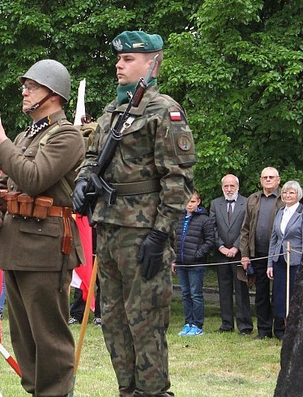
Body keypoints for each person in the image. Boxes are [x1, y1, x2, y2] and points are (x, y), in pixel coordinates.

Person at [73, 31, 197, 396]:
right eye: (119, 58)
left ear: (152, 63)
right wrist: (83, 182)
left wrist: (161, 234)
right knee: (112, 321)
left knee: (145, 323)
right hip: (109, 229)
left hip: (143, 233)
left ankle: (153, 392)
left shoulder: (164, 111)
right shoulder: (114, 111)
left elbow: (178, 180)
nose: (119, 64)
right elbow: (92, 157)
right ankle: (127, 390)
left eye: (128, 59)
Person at [0, 59, 85, 396]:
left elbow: (34, 177)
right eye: (25, 85)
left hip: (46, 248)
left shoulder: (67, 135)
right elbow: (13, 186)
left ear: (52, 94)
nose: (24, 90)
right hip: (16, 245)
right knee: (24, 339)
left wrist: (2, 143)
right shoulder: (27, 135)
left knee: (49, 338)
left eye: (32, 86)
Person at [240, 167, 284, 340]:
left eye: (271, 177)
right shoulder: (253, 199)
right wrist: (245, 254)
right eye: (265, 177)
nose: (268, 180)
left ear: (278, 180)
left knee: (279, 293)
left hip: (279, 255)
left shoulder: (284, 198)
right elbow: (245, 228)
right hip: (257, 253)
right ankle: (264, 330)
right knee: (261, 294)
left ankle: (280, 330)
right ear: (260, 180)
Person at [267, 181, 303, 340]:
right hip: (279, 259)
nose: (287, 195)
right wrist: (270, 263)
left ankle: (294, 332)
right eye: (285, 192)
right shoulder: (280, 212)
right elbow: (274, 238)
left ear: (297, 195)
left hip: (296, 261)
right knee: (279, 296)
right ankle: (281, 331)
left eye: (291, 193)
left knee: (293, 296)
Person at [210, 174, 253, 335]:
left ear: (238, 187)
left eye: (232, 186)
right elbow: (211, 228)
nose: (229, 189)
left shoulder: (247, 202)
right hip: (221, 255)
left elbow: (248, 227)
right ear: (222, 187)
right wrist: (220, 246)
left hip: (240, 254)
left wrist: (236, 247)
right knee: (224, 289)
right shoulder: (215, 204)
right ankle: (226, 324)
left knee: (241, 290)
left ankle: (245, 326)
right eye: (226, 186)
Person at [171, 190, 214, 336]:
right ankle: (188, 322)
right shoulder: (179, 218)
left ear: (198, 202)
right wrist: (175, 259)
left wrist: (198, 255)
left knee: (196, 294)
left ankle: (197, 324)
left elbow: (209, 241)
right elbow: (175, 240)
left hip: (196, 264)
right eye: (187, 201)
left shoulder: (204, 220)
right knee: (185, 294)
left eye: (193, 201)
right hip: (181, 263)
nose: (190, 204)